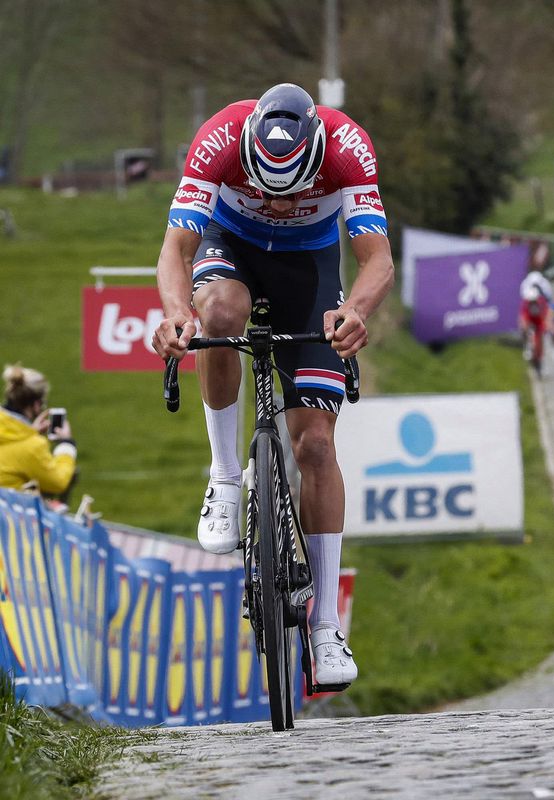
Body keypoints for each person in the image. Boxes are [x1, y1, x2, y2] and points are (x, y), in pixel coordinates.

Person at [151, 83, 396, 688]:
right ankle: (226, 475)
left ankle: (324, 629)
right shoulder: (218, 138)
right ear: (248, 154)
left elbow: (378, 259)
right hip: (230, 250)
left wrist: (357, 310)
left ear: (316, 154)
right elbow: (175, 248)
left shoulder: (347, 146)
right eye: (265, 190)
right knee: (220, 318)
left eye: (294, 193)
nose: (279, 204)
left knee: (315, 445)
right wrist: (178, 313)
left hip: (308, 270)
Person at [0, 364, 77, 499]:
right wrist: (66, 445)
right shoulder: (32, 447)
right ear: (36, 405)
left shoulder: (24, 440)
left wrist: (29, 432)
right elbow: (57, 482)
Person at [518, 274, 552, 376]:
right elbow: (523, 317)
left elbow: (547, 315)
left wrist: (546, 325)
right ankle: (527, 346)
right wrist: (525, 327)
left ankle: (541, 360)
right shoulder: (525, 302)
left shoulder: (542, 301)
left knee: (540, 340)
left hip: (539, 320)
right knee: (524, 330)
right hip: (530, 320)